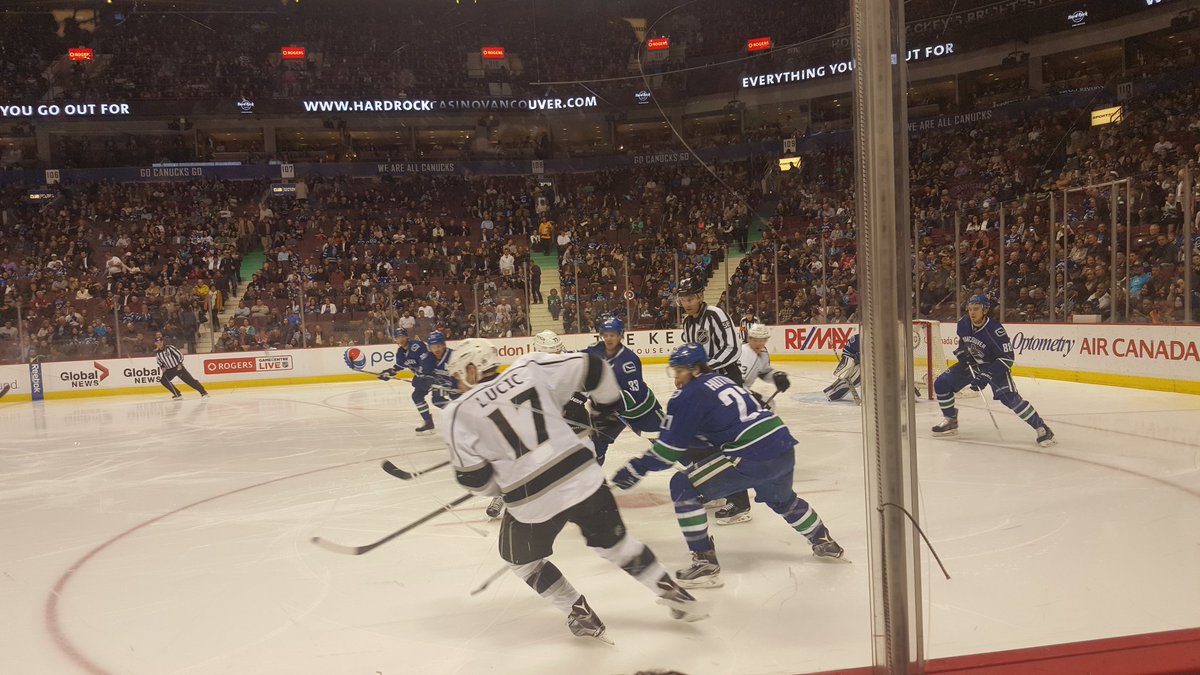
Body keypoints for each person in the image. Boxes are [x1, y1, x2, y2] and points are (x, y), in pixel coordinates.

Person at [442, 338, 707, 642]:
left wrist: (499, 482)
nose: (457, 384)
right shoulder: (529, 367)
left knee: (521, 561)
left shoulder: (456, 412)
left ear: (472, 370)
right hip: (584, 477)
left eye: (457, 376)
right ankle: (674, 594)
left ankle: (578, 611)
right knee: (617, 546)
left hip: (531, 501)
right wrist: (606, 412)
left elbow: (474, 480)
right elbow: (594, 367)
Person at [611, 343, 844, 588]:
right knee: (782, 499)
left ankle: (704, 562)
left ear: (696, 370)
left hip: (751, 454)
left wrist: (635, 469)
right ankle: (823, 540)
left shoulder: (687, 396)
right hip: (783, 445)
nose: (676, 378)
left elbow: (668, 451)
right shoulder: (724, 381)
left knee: (682, 483)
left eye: (680, 371)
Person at [933, 295, 1056, 446]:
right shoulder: (963, 323)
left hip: (995, 367)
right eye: (970, 309)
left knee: (1010, 399)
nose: (972, 313)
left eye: (976, 309)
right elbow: (964, 342)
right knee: (942, 383)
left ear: (985, 310)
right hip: (974, 365)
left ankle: (1042, 428)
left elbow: (1007, 358)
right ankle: (950, 420)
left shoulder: (995, 330)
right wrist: (962, 352)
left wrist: (986, 375)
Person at [677, 276, 752, 523]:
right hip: (704, 386)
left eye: (690, 298)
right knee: (699, 440)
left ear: (700, 296)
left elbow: (733, 349)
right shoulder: (687, 323)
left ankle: (740, 504)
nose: (686, 303)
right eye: (682, 299)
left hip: (725, 382)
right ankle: (716, 489)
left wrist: (703, 370)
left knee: (726, 443)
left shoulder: (716, 315)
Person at [581, 317, 664, 465]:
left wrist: (600, 399)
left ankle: (695, 465)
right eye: (605, 335)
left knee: (665, 443)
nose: (608, 338)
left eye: (612, 335)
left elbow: (632, 396)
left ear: (620, 335)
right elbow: (579, 359)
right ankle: (592, 479)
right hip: (614, 411)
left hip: (642, 410)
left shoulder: (628, 361)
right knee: (598, 443)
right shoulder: (596, 349)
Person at [378, 328, 434, 432]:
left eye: (402, 336)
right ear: (395, 339)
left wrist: (421, 377)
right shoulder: (400, 352)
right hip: (422, 377)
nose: (401, 339)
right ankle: (428, 422)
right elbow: (398, 367)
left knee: (439, 400)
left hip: (434, 374)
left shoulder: (417, 346)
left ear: (407, 337)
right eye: (398, 337)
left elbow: (427, 363)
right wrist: (389, 373)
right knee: (417, 397)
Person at [738, 324, 790, 411]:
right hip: (735, 393)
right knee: (766, 407)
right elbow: (737, 384)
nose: (758, 343)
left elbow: (764, 372)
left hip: (742, 391)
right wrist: (753, 398)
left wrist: (776, 376)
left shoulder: (763, 352)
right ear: (749, 339)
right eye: (755, 339)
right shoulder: (744, 353)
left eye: (762, 340)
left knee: (769, 404)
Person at [154, 332, 208, 400]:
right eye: (157, 342)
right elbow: (159, 361)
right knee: (163, 380)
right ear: (155, 343)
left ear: (163, 342)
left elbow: (180, 355)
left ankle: (203, 392)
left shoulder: (170, 348)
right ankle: (177, 394)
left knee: (190, 381)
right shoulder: (157, 352)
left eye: (160, 341)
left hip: (178, 368)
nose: (159, 343)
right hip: (169, 370)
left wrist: (180, 364)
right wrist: (162, 367)